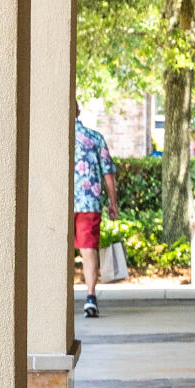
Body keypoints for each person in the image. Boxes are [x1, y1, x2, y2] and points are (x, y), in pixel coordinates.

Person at [72, 113, 113, 319]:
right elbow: (108, 172)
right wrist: (113, 202)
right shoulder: (95, 139)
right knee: (88, 251)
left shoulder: (55, 138)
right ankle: (90, 297)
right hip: (89, 201)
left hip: (61, 203)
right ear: (78, 113)